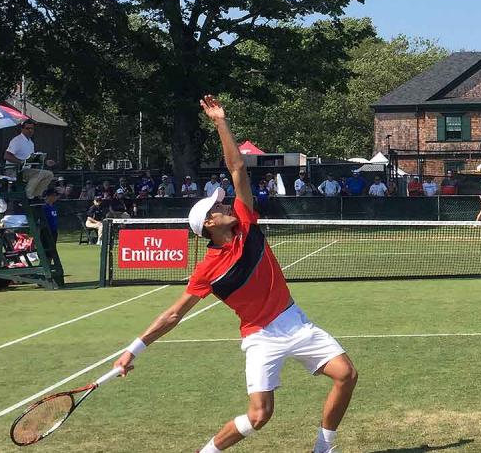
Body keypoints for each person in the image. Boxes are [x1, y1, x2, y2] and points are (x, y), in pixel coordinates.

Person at [112, 96, 356, 453]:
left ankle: (324, 447)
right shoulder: (208, 269)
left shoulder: (246, 224)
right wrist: (133, 349)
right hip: (260, 338)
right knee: (259, 416)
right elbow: (174, 314)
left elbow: (238, 168)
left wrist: (220, 122)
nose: (226, 204)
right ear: (209, 224)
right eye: (218, 206)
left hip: (295, 321)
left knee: (346, 374)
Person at [4, 119, 54, 199]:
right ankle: (28, 194)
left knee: (49, 174)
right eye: (28, 128)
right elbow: (7, 156)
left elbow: (32, 159)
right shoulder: (17, 140)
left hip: (25, 170)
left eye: (32, 128)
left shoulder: (30, 142)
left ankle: (36, 195)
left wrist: (46, 162)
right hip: (13, 170)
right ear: (22, 129)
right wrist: (21, 162)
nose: (30, 130)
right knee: (40, 174)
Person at [39, 189, 61, 269]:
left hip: (54, 231)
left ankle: (49, 267)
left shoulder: (54, 207)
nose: (56, 197)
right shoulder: (44, 207)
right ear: (49, 196)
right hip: (46, 232)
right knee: (46, 251)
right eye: (54, 195)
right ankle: (43, 267)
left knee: (52, 250)